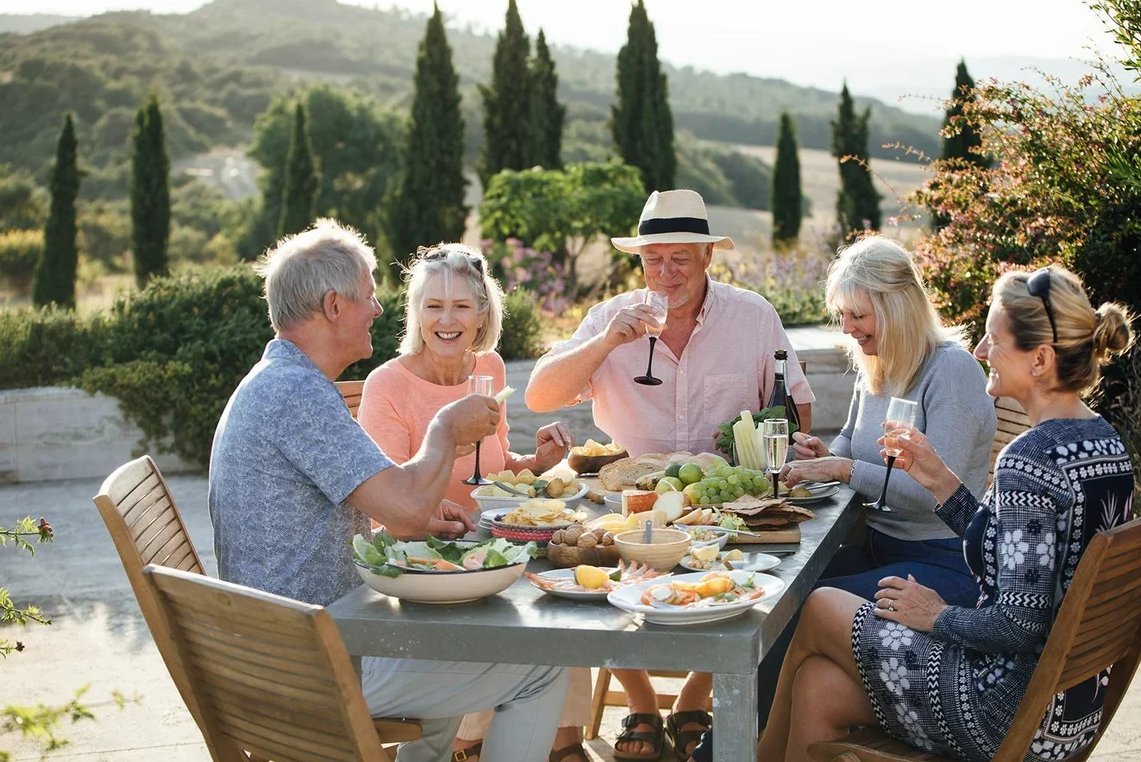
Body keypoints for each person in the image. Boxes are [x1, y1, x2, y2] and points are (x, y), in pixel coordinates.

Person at [208, 219, 568, 762]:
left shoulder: (283, 382)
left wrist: (426, 510)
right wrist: (445, 428)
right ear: (334, 306)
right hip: (310, 669)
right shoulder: (295, 396)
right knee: (543, 665)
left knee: (452, 662)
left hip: (297, 647)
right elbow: (401, 510)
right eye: (369, 297)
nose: (379, 309)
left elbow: (394, 499)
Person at [758, 265, 1135, 761]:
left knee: (822, 604)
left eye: (994, 341)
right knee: (817, 685)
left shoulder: (1030, 458)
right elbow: (1014, 551)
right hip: (1066, 715)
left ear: (1040, 359)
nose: (979, 353)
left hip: (1001, 708)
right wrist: (938, 477)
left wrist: (935, 614)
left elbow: (1018, 626)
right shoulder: (1104, 444)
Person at [526, 189, 814, 760]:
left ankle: (693, 694)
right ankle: (641, 701)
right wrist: (609, 340)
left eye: (680, 258)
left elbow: (798, 411)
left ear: (708, 257)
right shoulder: (612, 318)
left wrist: (751, 443)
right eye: (653, 259)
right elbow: (538, 395)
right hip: (624, 504)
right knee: (588, 573)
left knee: (763, 577)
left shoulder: (753, 316)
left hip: (721, 505)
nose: (666, 273)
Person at [687, 236, 997, 762]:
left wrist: (844, 467)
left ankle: (726, 751)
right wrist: (822, 451)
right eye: (842, 315)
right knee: (776, 595)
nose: (848, 328)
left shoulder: (952, 371)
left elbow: (933, 495)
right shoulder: (877, 364)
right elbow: (851, 446)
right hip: (882, 548)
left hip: (943, 565)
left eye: (858, 314)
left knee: (796, 607)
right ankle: (745, 746)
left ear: (897, 307)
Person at [356, 243, 590, 762]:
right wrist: (443, 444)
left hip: (495, 548)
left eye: (461, 306)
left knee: (566, 599)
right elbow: (384, 507)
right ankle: (493, 741)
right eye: (433, 305)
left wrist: (539, 464)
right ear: (415, 313)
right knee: (544, 622)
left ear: (483, 311)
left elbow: (499, 469)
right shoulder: (387, 385)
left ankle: (558, 743)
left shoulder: (490, 368)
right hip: (425, 566)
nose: (446, 319)